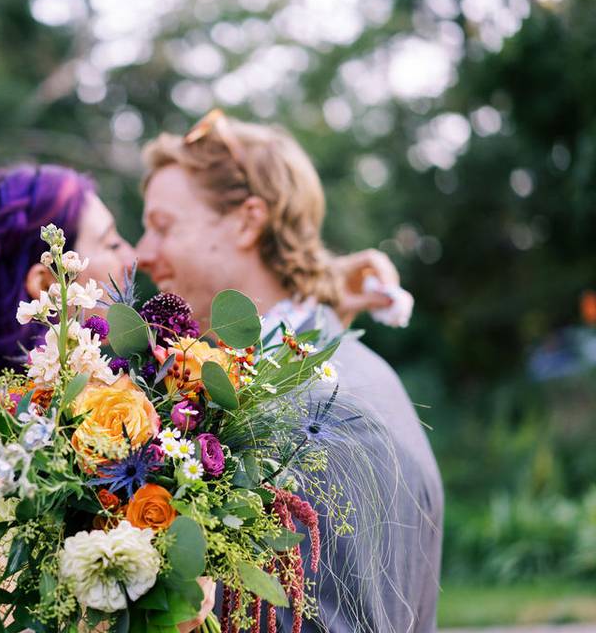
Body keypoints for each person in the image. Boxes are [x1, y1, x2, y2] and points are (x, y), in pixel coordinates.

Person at [0, 161, 404, 631]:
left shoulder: (64, 417)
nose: (133, 256)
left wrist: (324, 295)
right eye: (112, 241)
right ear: (47, 283)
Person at [136, 110, 443, 632]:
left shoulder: (318, 418)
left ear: (249, 220)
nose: (142, 253)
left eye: (163, 226)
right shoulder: (349, 372)